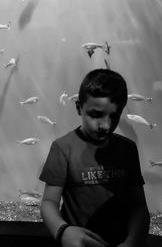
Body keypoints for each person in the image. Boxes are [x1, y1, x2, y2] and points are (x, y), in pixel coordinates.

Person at [39, 69, 150, 247]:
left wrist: (132, 241)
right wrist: (63, 231)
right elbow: (49, 202)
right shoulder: (62, 148)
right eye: (96, 115)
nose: (105, 125)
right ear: (78, 107)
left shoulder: (127, 149)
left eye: (114, 116)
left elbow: (138, 206)